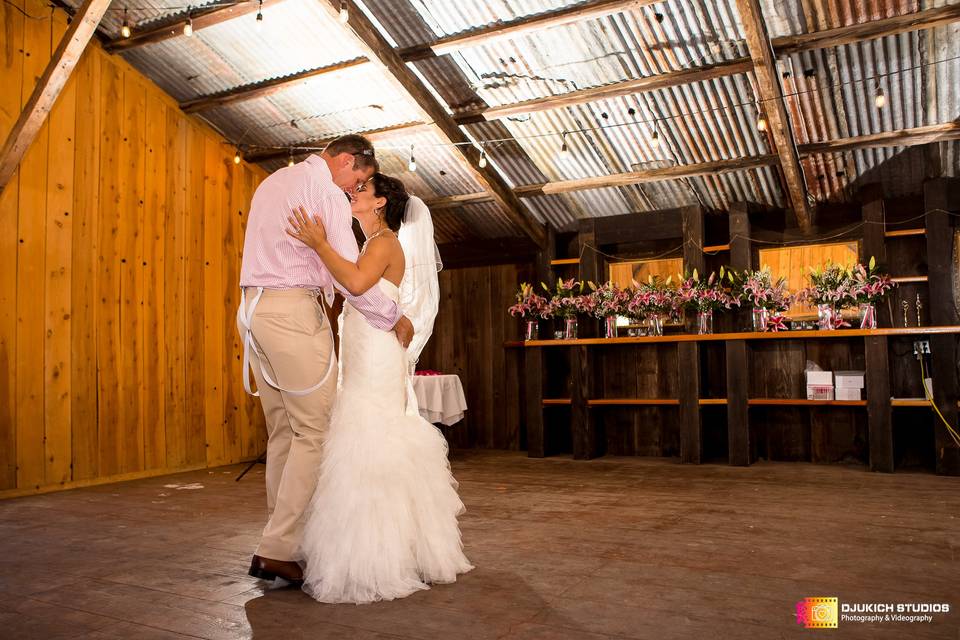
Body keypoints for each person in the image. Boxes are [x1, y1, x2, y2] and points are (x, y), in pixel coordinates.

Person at [286, 172, 473, 604]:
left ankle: (376, 556)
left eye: (362, 191)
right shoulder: (369, 243)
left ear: (380, 203)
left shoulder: (386, 242)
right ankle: (368, 545)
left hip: (376, 353)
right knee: (358, 433)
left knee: (369, 437)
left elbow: (354, 284)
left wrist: (319, 244)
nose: (354, 193)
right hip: (362, 346)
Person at [237, 136, 415, 586]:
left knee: (284, 432)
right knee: (314, 431)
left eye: (364, 185)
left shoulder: (274, 181)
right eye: (358, 176)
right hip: (293, 313)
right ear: (345, 160)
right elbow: (350, 280)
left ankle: (283, 540)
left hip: (254, 312)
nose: (355, 186)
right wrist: (393, 315)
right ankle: (277, 548)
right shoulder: (325, 195)